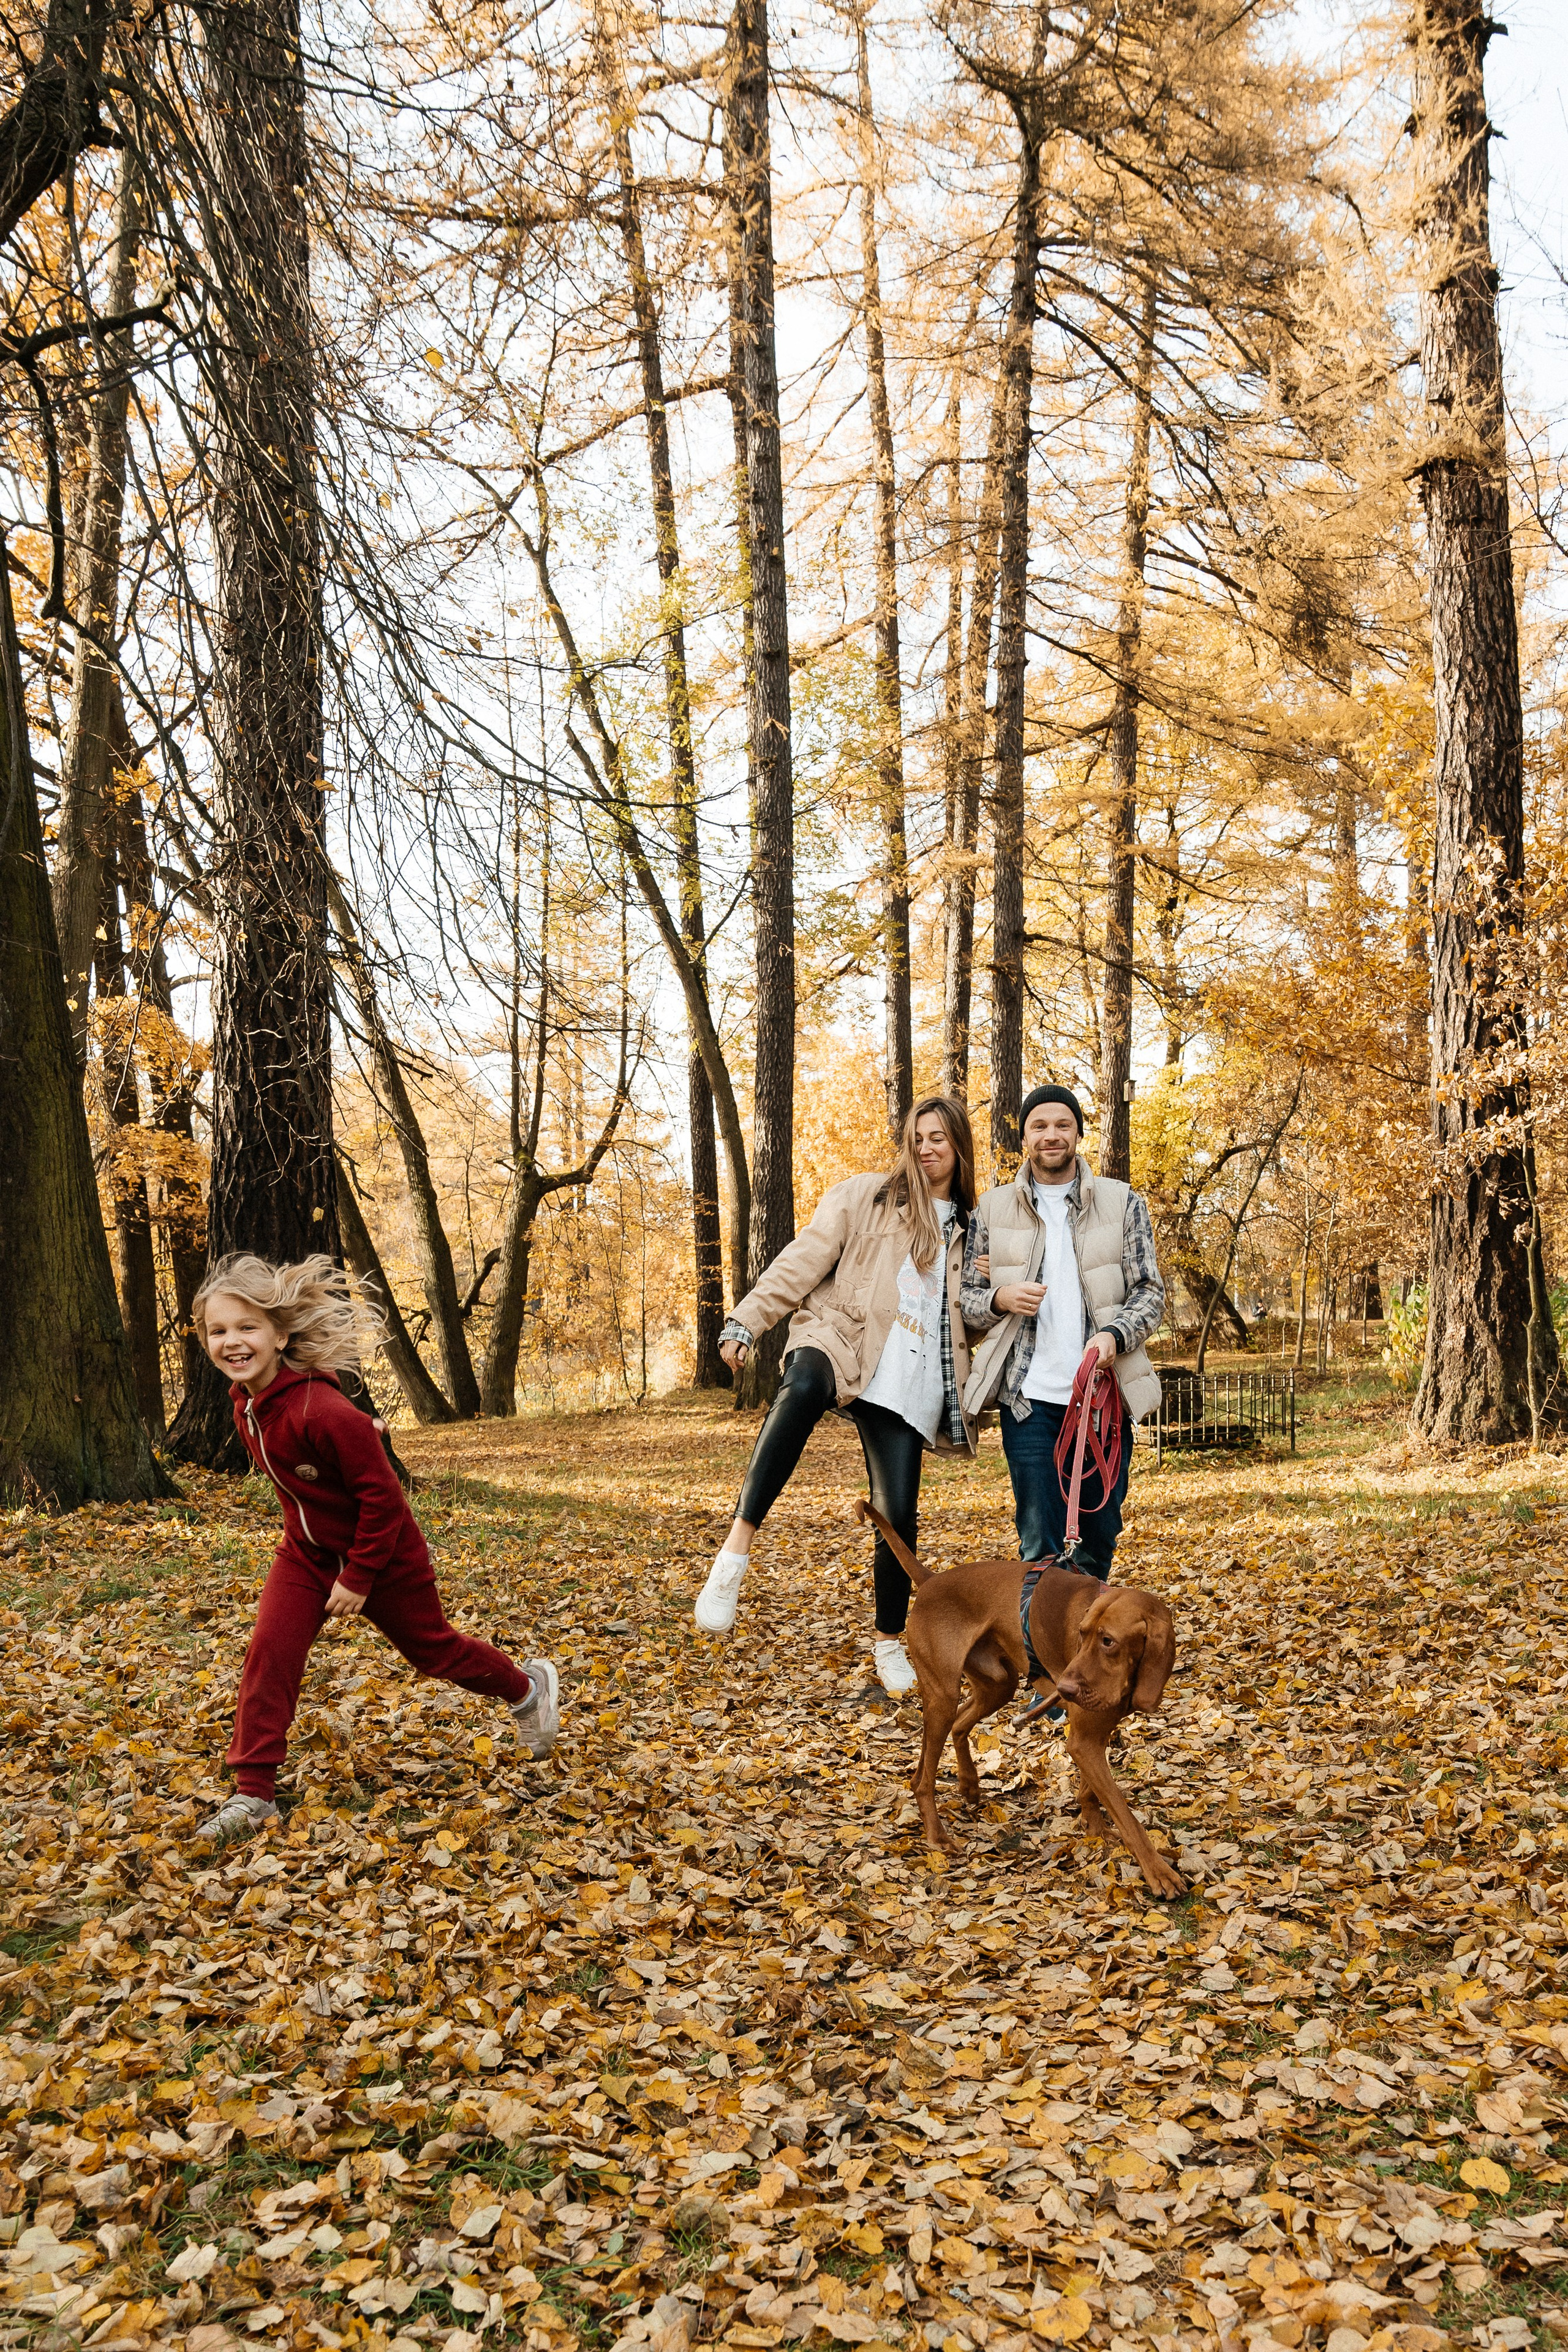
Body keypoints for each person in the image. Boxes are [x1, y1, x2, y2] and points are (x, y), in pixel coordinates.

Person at [190, 1253, 560, 1847]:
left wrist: (359, 1574)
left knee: (435, 1651)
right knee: (270, 1652)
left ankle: (527, 1690)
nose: (232, 1342)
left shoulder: (323, 1411)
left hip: (384, 1557)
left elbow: (384, 1501)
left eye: (247, 1327)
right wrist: (321, 1559)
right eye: (218, 1331)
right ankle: (253, 1795)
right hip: (307, 1556)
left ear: (280, 1335)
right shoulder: (246, 1406)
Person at [692, 1097, 978, 1695]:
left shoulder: (972, 1231)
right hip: (838, 1337)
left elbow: (976, 1316)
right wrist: (746, 1321)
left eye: (938, 1138)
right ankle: (734, 1553)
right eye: (917, 1136)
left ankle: (888, 1640)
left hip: (907, 1379)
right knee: (800, 1387)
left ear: (958, 1146)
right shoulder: (866, 1196)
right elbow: (802, 1260)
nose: (925, 1148)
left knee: (897, 1513)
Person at [961, 1085, 1164, 1593]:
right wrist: (1000, 1297)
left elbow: (1150, 1292)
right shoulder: (991, 1209)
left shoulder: (1123, 1202)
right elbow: (965, 1300)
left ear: (1077, 1133)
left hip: (1103, 1399)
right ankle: (1042, 1642)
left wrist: (1115, 1334)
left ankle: (1081, 1638)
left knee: (1099, 1537)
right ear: (1024, 1137)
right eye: (1040, 1126)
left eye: (1062, 1125)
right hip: (1028, 1401)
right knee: (1039, 1546)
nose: (1051, 1135)